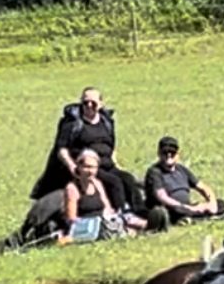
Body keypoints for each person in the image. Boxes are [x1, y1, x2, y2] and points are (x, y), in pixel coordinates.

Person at [31, 87, 142, 215]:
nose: (89, 105)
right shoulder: (72, 124)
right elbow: (62, 150)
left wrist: (116, 163)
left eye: (93, 103)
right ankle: (120, 214)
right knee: (114, 182)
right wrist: (72, 166)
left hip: (107, 165)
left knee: (128, 179)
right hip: (88, 167)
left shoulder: (107, 122)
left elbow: (111, 146)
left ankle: (140, 212)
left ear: (100, 104)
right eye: (85, 102)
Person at [23, 150, 146, 241]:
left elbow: (107, 206)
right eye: (87, 167)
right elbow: (72, 220)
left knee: (133, 224)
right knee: (123, 230)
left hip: (102, 221)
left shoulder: (97, 184)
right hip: (85, 225)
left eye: (94, 168)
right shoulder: (72, 189)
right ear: (79, 168)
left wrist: (110, 217)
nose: (90, 171)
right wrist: (98, 223)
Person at [143, 136, 224, 230]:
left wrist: (212, 203)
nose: (169, 155)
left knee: (220, 203)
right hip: (172, 209)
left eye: (172, 152)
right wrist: (189, 208)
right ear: (159, 153)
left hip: (187, 207)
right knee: (171, 212)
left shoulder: (182, 170)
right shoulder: (154, 172)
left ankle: (195, 216)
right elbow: (163, 198)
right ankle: (197, 216)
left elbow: (203, 188)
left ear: (178, 154)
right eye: (165, 152)